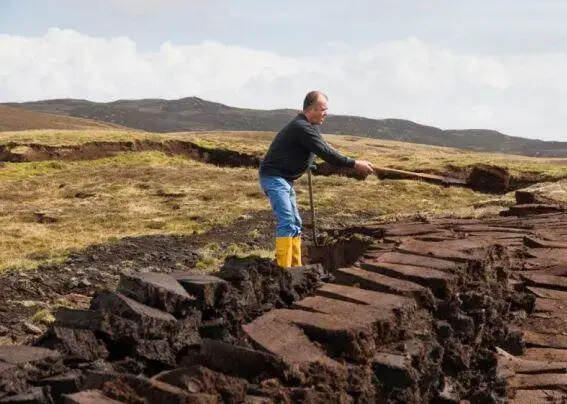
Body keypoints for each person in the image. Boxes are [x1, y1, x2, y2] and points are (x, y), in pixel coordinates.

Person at [259, 91, 375, 268]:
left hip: (285, 179)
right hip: (275, 178)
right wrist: (354, 164)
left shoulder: (308, 127)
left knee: (296, 223)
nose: (326, 113)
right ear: (312, 109)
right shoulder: (302, 127)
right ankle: (284, 269)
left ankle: (295, 267)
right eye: (323, 109)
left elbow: (324, 147)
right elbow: (327, 153)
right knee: (288, 221)